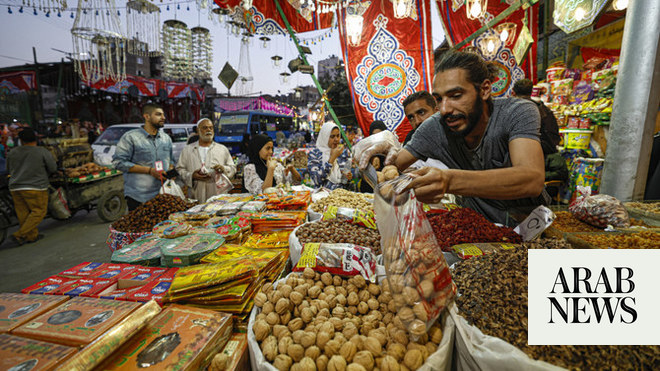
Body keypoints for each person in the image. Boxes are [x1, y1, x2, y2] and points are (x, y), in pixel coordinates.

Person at [361, 51, 547, 226]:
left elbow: (532, 179)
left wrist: (449, 181)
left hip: (532, 227)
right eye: (439, 99)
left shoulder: (516, 112)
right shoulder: (435, 127)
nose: (444, 109)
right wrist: (380, 150)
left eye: (456, 96)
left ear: (484, 90)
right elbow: (391, 169)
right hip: (479, 232)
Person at [113, 103, 174, 211]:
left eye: (163, 115)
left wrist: (171, 172)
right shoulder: (131, 137)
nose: (163, 118)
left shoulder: (166, 138)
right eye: (158, 114)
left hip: (163, 195)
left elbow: (171, 161)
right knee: (141, 227)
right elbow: (118, 162)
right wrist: (149, 170)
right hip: (138, 197)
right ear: (147, 117)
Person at [6, 127, 57, 245]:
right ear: (35, 139)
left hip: (15, 187)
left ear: (21, 140)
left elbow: (9, 169)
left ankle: (31, 236)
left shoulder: (12, 152)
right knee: (39, 211)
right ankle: (19, 234)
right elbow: (53, 168)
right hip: (36, 187)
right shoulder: (41, 151)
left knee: (23, 213)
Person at [176, 119, 236, 202]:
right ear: (198, 130)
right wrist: (192, 175)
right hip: (196, 194)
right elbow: (180, 169)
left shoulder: (222, 149)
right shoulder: (188, 150)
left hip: (218, 195)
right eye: (205, 128)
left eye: (211, 128)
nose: (209, 130)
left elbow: (232, 168)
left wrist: (223, 169)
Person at [512, 78, 562, 156]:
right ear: (531, 92)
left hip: (522, 155)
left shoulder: (511, 111)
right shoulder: (544, 109)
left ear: (513, 92)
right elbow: (554, 136)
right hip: (544, 154)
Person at [308, 121, 353, 190]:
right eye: (332, 136)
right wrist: (332, 159)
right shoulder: (315, 154)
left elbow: (344, 182)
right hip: (322, 197)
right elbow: (317, 180)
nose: (336, 139)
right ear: (325, 137)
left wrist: (347, 178)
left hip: (340, 196)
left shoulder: (342, 153)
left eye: (338, 136)